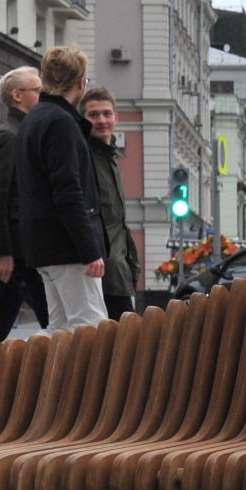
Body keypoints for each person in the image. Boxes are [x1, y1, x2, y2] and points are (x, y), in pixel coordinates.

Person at [18, 46, 107, 331]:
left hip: (42, 245)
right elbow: (68, 193)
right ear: (81, 83)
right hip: (68, 247)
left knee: (60, 329)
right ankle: (90, 378)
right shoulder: (62, 123)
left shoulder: (33, 118)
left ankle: (53, 377)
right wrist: (90, 249)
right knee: (91, 329)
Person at [0, 67, 50, 344]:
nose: (43, 95)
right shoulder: (7, 137)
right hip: (18, 251)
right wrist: (2, 252)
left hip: (25, 248)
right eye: (38, 90)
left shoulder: (25, 133)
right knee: (55, 320)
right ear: (17, 95)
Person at [81, 86, 141, 319]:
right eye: (93, 115)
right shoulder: (85, 156)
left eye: (107, 114)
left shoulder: (110, 157)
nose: (101, 120)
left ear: (117, 117)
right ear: (83, 119)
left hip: (116, 263)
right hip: (100, 265)